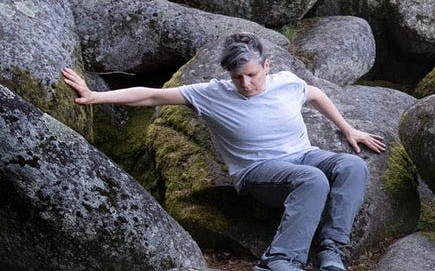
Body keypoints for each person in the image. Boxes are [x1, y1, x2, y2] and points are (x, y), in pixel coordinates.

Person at [60, 33, 386, 271]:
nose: (245, 84)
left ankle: (332, 251)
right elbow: (150, 97)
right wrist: (95, 97)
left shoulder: (287, 82)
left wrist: (347, 129)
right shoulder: (210, 95)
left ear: (266, 66)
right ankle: (279, 260)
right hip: (257, 172)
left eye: (252, 75)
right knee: (312, 180)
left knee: (352, 166)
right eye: (237, 77)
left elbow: (315, 94)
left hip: (303, 154)